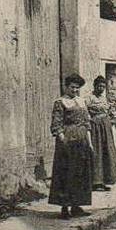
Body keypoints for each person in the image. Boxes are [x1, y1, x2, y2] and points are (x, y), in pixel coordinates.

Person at [48, 74, 94, 219]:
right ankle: (64, 207)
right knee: (66, 173)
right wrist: (63, 141)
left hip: (82, 140)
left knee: (81, 173)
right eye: (72, 87)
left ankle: (76, 205)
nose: (75, 90)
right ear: (66, 87)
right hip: (68, 140)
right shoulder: (60, 102)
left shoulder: (81, 102)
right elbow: (57, 124)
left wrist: (90, 142)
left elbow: (87, 123)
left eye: (77, 88)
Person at [86, 76, 116, 191]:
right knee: (97, 152)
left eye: (103, 86)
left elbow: (110, 111)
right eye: (99, 86)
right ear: (94, 86)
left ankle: (105, 180)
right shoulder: (89, 98)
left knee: (107, 152)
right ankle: (96, 182)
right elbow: (86, 114)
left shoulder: (105, 98)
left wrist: (112, 116)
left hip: (106, 127)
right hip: (95, 127)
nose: (101, 88)